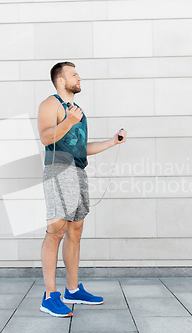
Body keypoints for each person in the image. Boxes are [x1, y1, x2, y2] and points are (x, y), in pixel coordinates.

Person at [37, 61, 127, 317]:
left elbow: (81, 147)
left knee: (75, 229)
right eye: (73, 74)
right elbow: (45, 137)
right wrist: (67, 121)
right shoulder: (51, 104)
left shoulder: (77, 110)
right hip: (59, 169)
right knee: (56, 229)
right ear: (60, 80)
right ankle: (49, 296)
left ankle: (73, 290)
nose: (79, 77)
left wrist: (112, 142)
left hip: (78, 171)